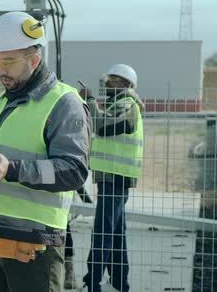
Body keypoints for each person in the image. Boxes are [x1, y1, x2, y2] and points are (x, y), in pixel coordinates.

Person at [0, 11, 91, 292]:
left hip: (35, 244)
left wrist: (11, 170)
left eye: (9, 61)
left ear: (34, 59)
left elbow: (73, 170)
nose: (1, 69)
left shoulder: (63, 103)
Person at [80, 64, 144, 292]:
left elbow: (101, 126)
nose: (108, 84)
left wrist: (89, 102)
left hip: (116, 178)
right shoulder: (119, 104)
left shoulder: (127, 104)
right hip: (113, 177)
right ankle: (119, 283)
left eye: (114, 80)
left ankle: (93, 282)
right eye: (108, 79)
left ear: (127, 84)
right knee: (116, 236)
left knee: (102, 232)